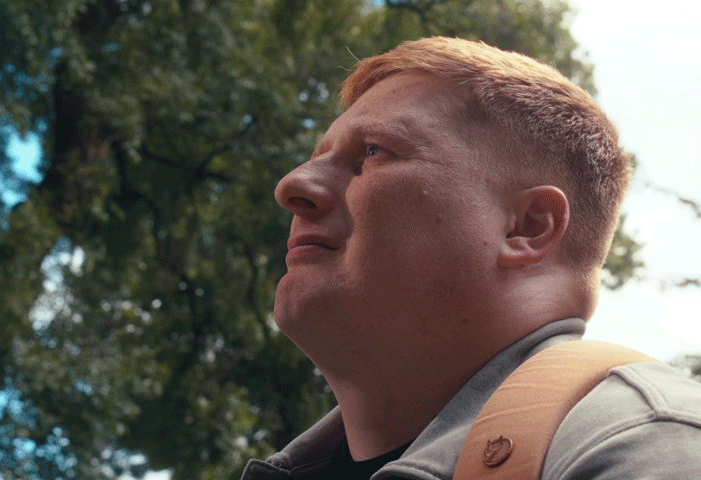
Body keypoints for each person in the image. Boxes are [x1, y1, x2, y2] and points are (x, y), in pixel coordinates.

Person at [240, 37, 701, 480]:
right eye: (316, 156)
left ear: (528, 227)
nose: (292, 184)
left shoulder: (637, 443)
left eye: (373, 152)